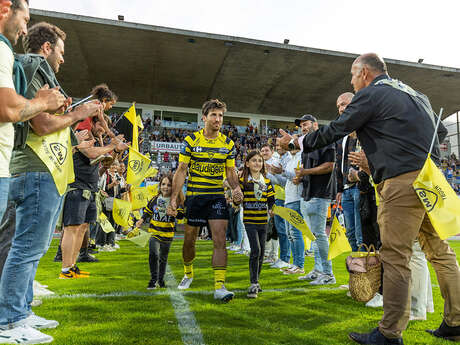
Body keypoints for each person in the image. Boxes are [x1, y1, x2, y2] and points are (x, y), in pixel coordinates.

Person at [279, 53, 458, 344]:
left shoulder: (372, 93)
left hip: (401, 181)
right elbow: (436, 133)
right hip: (429, 177)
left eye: (352, 75)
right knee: (440, 252)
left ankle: (390, 332)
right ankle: (456, 320)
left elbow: (337, 129)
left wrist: (296, 141)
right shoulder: (416, 93)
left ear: (363, 73)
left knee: (396, 257)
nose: (352, 81)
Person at [0, 18, 102, 344]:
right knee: (26, 248)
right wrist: (78, 112)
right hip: (36, 170)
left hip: (39, 171)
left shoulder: (35, 70)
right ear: (46, 48)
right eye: (60, 51)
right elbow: (42, 125)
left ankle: (21, 312)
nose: (63, 58)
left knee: (30, 247)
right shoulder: (33, 64)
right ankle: (11, 321)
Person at [170, 99, 243, 302]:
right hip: (194, 198)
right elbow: (181, 170)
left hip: (216, 198)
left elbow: (230, 171)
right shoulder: (191, 140)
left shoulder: (228, 144)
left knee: (220, 240)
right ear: (204, 118)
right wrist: (174, 199)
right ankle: (188, 272)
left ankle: (220, 286)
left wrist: (236, 187)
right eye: (214, 115)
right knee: (189, 241)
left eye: (220, 116)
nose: (218, 119)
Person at [294, 114, 335, 285]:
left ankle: (328, 273)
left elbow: (329, 166)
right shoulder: (306, 147)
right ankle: (318, 270)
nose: (303, 128)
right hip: (308, 193)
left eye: (306, 124)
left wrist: (306, 173)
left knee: (319, 235)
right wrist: (300, 178)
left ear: (315, 125)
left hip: (320, 194)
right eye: (301, 126)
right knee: (314, 236)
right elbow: (305, 170)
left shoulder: (325, 140)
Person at [235, 150, 275, 298]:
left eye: (260, 160)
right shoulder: (243, 181)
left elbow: (271, 201)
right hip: (249, 220)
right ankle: (253, 283)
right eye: (254, 160)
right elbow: (236, 200)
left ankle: (256, 281)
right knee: (256, 250)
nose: (257, 163)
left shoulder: (267, 182)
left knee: (261, 252)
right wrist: (236, 199)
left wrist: (272, 209)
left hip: (263, 221)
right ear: (247, 163)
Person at [135, 173, 184, 289]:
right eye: (163, 184)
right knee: (153, 254)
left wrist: (175, 213)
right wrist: (141, 220)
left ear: (173, 187)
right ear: (159, 185)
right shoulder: (155, 199)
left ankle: (160, 280)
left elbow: (182, 215)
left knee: (163, 259)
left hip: (167, 235)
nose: (165, 187)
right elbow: (147, 211)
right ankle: (153, 280)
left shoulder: (175, 201)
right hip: (154, 233)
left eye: (169, 185)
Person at [335, 92, 363, 251]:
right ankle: (357, 270)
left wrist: (360, 175)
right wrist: (339, 189)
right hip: (345, 190)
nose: (340, 108)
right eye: (339, 106)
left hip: (360, 186)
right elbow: (338, 164)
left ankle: (366, 273)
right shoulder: (341, 135)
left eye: (344, 104)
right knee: (351, 233)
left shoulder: (363, 129)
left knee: (361, 234)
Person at [260, 144, 279, 264]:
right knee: (266, 228)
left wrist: (268, 174)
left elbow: (278, 181)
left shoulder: (275, 163)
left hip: (276, 198)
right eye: (262, 150)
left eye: (267, 150)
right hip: (264, 200)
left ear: (272, 151)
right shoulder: (260, 164)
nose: (264, 152)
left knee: (274, 229)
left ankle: (274, 255)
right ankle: (267, 254)